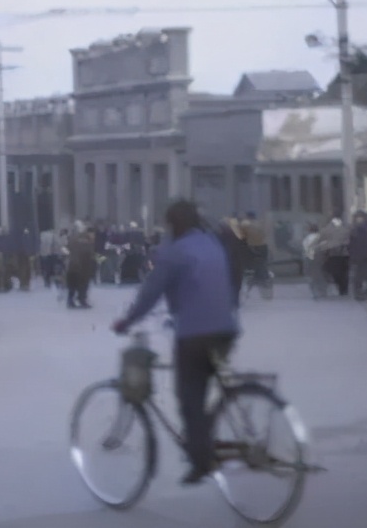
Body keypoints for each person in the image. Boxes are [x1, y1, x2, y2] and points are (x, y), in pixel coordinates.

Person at [111, 199, 240, 486]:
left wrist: (127, 321)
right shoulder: (211, 243)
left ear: (173, 225)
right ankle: (204, 440)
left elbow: (151, 292)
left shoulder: (175, 251)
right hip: (226, 329)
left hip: (196, 333)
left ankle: (200, 461)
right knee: (204, 389)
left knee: (189, 398)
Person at [216, 217, 248, 307]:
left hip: (228, 262)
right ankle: (235, 302)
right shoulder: (238, 235)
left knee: (229, 283)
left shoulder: (220, 236)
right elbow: (244, 246)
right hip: (236, 262)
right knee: (236, 283)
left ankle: (229, 301)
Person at [67, 224, 96, 308]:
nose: (93, 236)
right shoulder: (86, 241)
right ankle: (80, 300)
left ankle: (72, 300)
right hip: (81, 266)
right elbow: (89, 253)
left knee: (73, 284)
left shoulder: (75, 239)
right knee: (81, 284)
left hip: (74, 265)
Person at [241, 212, 270, 287]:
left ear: (248, 217)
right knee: (261, 263)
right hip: (263, 246)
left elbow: (242, 237)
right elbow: (264, 234)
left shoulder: (246, 224)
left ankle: (257, 278)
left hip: (253, 247)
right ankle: (262, 278)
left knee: (253, 262)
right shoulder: (259, 223)